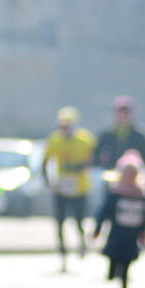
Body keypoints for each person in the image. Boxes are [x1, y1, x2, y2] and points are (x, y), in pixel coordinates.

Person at [92, 149, 145, 288]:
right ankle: (112, 273)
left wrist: (143, 234)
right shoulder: (116, 193)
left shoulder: (141, 195)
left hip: (130, 239)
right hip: (116, 235)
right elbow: (104, 212)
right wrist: (97, 229)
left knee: (125, 271)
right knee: (113, 266)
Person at [42, 106, 96, 271]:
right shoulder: (54, 140)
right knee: (59, 223)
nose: (65, 129)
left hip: (79, 189)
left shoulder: (85, 139)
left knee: (79, 221)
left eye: (68, 125)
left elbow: (92, 159)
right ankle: (63, 256)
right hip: (61, 189)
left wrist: (80, 166)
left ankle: (82, 243)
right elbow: (45, 162)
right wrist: (47, 180)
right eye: (62, 126)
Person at [93, 95, 145, 170]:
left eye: (126, 112)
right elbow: (95, 157)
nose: (123, 115)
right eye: (120, 112)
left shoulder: (139, 135)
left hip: (132, 175)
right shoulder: (106, 135)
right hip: (109, 173)